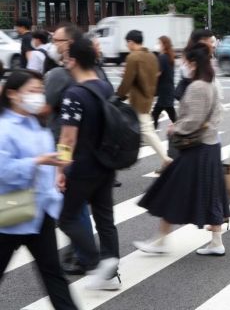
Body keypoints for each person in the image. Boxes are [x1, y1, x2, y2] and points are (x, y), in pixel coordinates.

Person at [134, 42, 229, 256]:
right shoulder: (211, 83)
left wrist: (176, 128)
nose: (183, 65)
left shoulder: (197, 86)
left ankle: (160, 241)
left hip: (196, 148)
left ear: (193, 63)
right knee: (211, 193)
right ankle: (215, 241)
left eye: (185, 61)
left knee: (172, 190)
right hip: (210, 146)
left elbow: (193, 120)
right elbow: (216, 115)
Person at [0, 70, 78, 310]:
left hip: (40, 209)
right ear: (13, 94)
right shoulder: (5, 128)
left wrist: (59, 171)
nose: (39, 96)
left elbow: (47, 159)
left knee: (53, 273)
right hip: (12, 207)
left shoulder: (36, 125)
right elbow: (3, 171)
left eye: (40, 91)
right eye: (32, 91)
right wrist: (37, 162)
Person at [56, 37, 121, 290]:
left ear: (72, 60)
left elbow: (68, 138)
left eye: (65, 55)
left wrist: (61, 169)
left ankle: (95, 264)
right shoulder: (104, 87)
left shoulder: (74, 94)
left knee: (67, 218)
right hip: (106, 163)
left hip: (82, 166)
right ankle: (111, 275)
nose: (63, 60)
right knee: (105, 220)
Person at [116, 30, 171, 171]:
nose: (127, 46)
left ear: (131, 42)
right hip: (148, 96)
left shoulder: (133, 57)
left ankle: (166, 158)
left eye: (127, 42)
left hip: (136, 99)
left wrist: (118, 96)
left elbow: (127, 81)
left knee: (146, 131)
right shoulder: (152, 56)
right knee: (138, 130)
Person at [152, 36, 177, 130]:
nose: (157, 45)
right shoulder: (170, 56)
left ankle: (152, 133)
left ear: (164, 45)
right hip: (168, 89)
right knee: (168, 112)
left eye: (159, 43)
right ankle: (180, 129)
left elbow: (158, 73)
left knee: (157, 113)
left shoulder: (162, 57)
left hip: (164, 91)